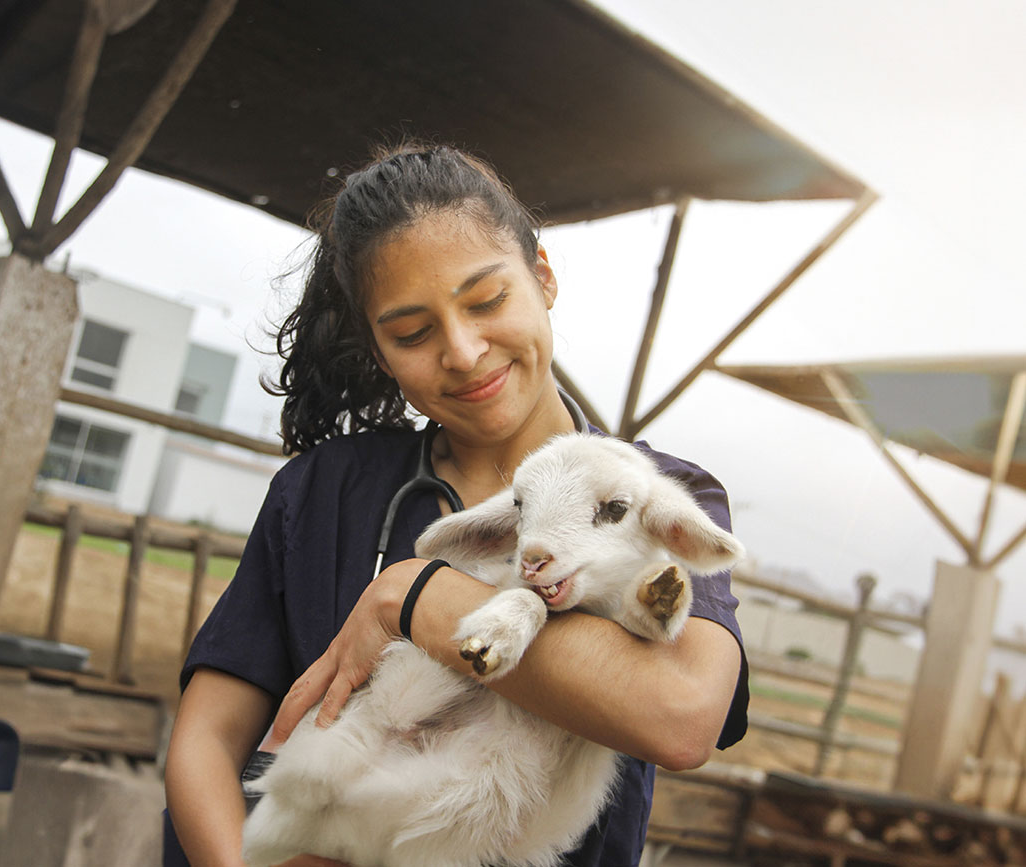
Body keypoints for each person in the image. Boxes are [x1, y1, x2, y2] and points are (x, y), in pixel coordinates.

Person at [163, 143, 749, 867]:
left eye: (487, 300)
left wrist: (411, 596)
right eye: (412, 332)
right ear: (378, 349)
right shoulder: (323, 492)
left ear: (542, 277)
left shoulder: (662, 495)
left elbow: (682, 718)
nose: (464, 351)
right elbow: (205, 739)